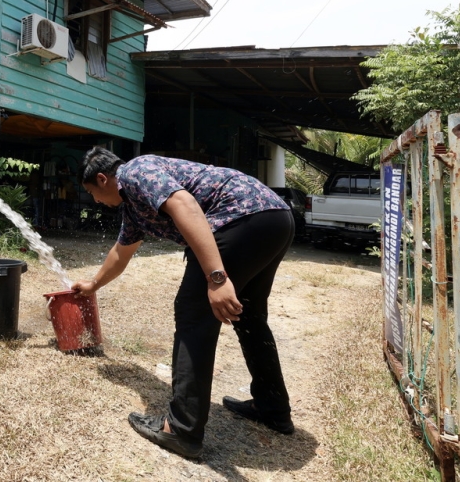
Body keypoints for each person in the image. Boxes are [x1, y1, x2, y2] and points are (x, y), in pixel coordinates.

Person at [73, 148, 295, 459]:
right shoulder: (135, 208)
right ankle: (273, 409)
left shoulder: (136, 172)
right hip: (274, 216)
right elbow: (121, 253)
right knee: (249, 315)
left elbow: (185, 204)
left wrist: (216, 279)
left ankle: (181, 430)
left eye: (92, 193)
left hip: (240, 217)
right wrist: (93, 285)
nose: (96, 200)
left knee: (194, 315)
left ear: (102, 178)